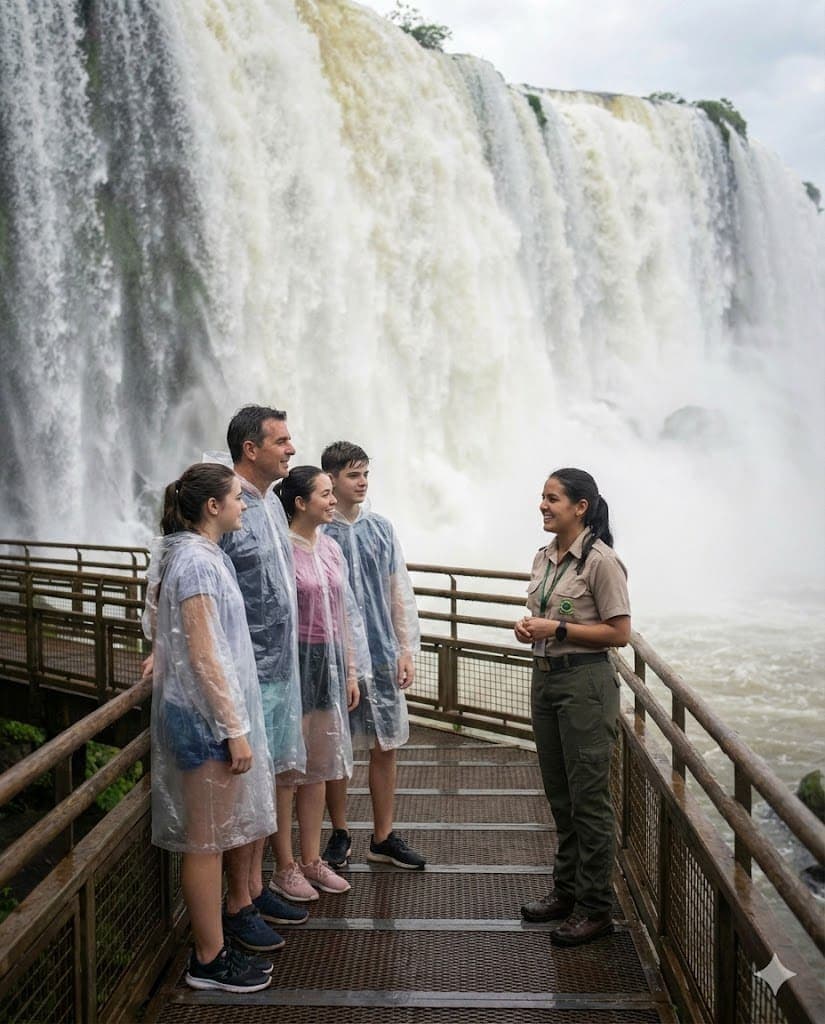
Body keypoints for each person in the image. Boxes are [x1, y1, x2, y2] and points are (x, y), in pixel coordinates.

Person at [144, 463, 275, 993]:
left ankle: (213, 946)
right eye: (237, 497)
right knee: (205, 843)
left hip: (204, 715)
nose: (245, 505)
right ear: (213, 507)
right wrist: (233, 728)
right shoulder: (198, 562)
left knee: (211, 838)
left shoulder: (198, 555)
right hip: (204, 721)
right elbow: (203, 653)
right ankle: (208, 959)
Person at [514, 468, 631, 948]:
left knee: (589, 801)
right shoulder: (544, 557)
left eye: (553, 498)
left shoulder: (601, 561)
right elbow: (545, 615)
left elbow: (619, 633)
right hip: (546, 680)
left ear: (580, 507)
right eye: (542, 497)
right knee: (560, 796)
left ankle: (596, 908)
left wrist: (557, 629)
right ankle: (566, 891)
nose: (543, 506)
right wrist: (530, 628)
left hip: (585, 684)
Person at [217, 406, 311, 947]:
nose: (291, 449)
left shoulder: (272, 504)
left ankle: (254, 887)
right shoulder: (225, 504)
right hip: (245, 673)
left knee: (267, 783)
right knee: (245, 790)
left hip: (279, 670)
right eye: (282, 440)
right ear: (251, 449)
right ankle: (237, 903)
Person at [319, 441, 425, 870]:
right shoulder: (320, 532)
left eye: (365, 474)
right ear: (331, 480)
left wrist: (406, 649)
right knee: (337, 747)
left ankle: (383, 836)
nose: (362, 482)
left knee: (385, 744)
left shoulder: (380, 528)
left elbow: (397, 590)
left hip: (381, 651)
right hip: (335, 657)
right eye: (353, 475)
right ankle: (340, 832)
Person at [271, 466, 369, 898]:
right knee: (289, 767)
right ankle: (284, 866)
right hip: (294, 660)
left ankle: (311, 860)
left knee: (319, 764)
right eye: (325, 494)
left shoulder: (330, 547)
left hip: (329, 660)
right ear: (300, 503)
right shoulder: (280, 550)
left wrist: (350, 670)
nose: (333, 501)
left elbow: (344, 613)